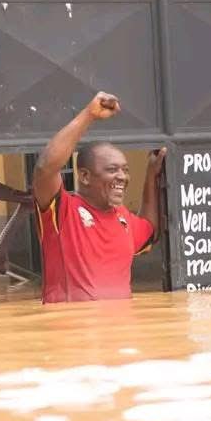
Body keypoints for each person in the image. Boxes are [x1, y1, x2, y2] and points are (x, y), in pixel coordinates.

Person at [31, 91, 166, 303]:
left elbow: (150, 229)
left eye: (125, 170)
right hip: (72, 333)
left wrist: (150, 174)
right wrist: (89, 115)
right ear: (84, 176)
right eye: (112, 170)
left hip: (122, 332)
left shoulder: (123, 218)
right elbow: (45, 168)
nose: (122, 177)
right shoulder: (64, 210)